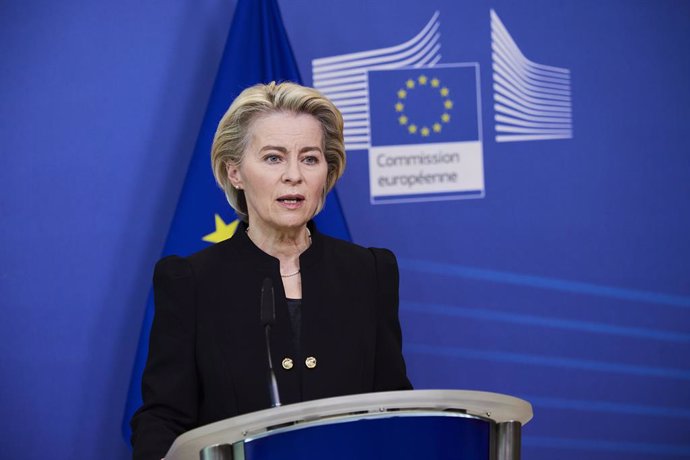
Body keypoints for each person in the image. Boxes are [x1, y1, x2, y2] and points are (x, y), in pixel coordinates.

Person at [130, 81, 412, 460]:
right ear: (235, 173)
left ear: (326, 172)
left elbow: (395, 409)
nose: (294, 175)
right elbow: (164, 420)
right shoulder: (191, 281)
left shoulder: (369, 273)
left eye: (310, 158)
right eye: (273, 158)